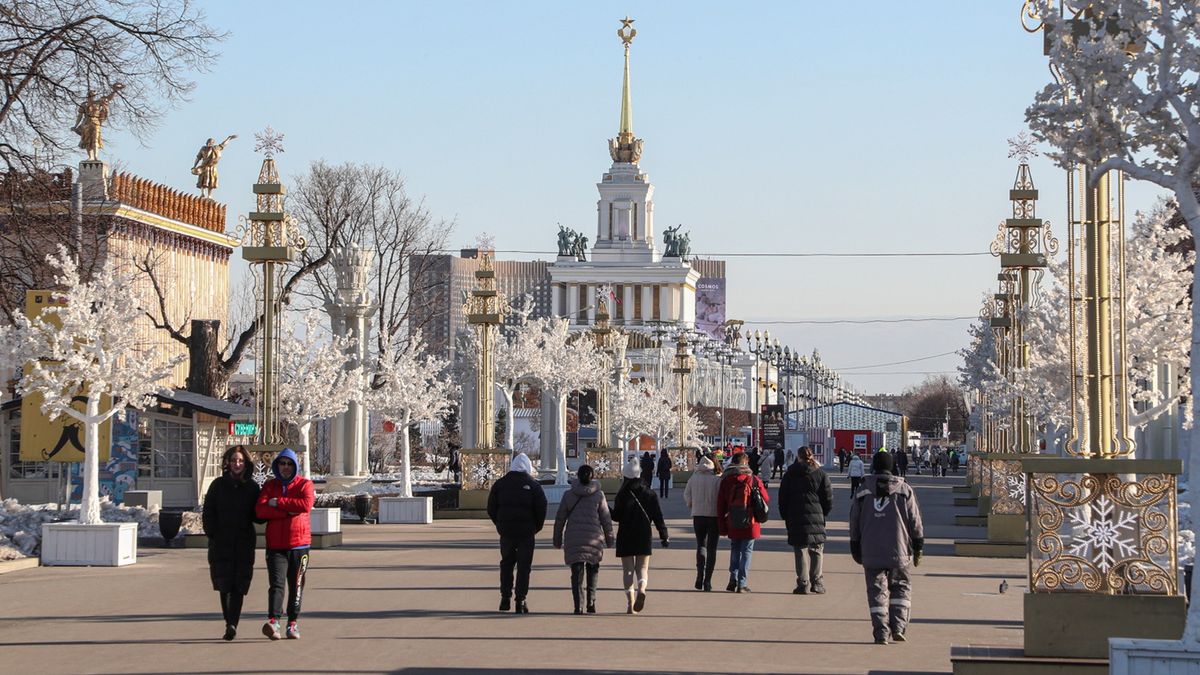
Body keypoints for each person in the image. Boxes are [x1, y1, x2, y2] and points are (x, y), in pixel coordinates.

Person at [849, 451, 925, 645]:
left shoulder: (862, 491)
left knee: (876, 593)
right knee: (901, 588)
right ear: (892, 467)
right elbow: (915, 521)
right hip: (899, 550)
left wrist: (855, 545)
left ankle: (881, 633)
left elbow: (854, 522)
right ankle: (898, 627)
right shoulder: (905, 490)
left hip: (871, 550)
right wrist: (918, 546)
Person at [202, 445, 261, 641]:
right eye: (234, 460)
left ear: (246, 463)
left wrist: (271, 505)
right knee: (224, 584)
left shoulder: (252, 487)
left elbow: (257, 516)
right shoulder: (217, 485)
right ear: (227, 462)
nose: (237, 464)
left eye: (241, 461)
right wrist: (213, 533)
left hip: (243, 543)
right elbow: (208, 511)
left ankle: (232, 624)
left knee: (239, 585)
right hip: (221, 542)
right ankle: (229, 622)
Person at [255, 448, 314, 640]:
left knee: (296, 585)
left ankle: (293, 623)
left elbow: (305, 505)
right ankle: (274, 621)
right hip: (276, 547)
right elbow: (261, 511)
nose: (286, 467)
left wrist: (278, 502)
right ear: (277, 465)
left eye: (289, 464)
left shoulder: (305, 484)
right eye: (282, 463)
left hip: (299, 545)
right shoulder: (269, 486)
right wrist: (286, 511)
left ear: (295, 466)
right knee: (277, 584)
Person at [487, 452, 547, 614]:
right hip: (527, 532)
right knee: (524, 565)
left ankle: (505, 598)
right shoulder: (534, 486)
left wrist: (500, 524)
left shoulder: (500, 484)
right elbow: (541, 509)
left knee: (506, 563)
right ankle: (520, 599)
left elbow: (491, 508)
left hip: (506, 532)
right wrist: (535, 527)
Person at [553, 465, 614, 614]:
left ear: (577, 477)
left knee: (576, 572)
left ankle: (578, 605)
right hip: (594, 538)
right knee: (593, 569)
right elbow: (606, 519)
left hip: (574, 537)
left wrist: (557, 538)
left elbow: (560, 518)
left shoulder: (568, 495)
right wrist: (610, 538)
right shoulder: (599, 495)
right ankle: (591, 601)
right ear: (592, 477)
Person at [612, 461, 669, 614]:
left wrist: (607, 508)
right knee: (642, 568)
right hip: (644, 534)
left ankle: (630, 604)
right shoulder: (650, 494)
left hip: (625, 535)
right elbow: (658, 516)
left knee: (628, 570)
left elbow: (616, 517)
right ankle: (642, 589)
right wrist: (664, 535)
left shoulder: (622, 494)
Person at [779, 446, 833, 595]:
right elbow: (828, 497)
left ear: (798, 456)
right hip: (816, 515)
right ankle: (817, 582)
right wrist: (823, 513)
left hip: (795, 515)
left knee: (800, 549)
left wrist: (785, 515)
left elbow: (782, 497)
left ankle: (803, 583)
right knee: (816, 549)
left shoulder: (790, 474)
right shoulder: (821, 474)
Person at [716, 452, 769, 593]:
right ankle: (742, 583)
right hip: (750, 521)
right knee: (746, 551)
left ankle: (732, 579)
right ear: (745, 463)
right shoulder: (754, 480)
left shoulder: (726, 480)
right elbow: (765, 498)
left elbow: (720, 504)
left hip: (732, 520)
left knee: (735, 549)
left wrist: (721, 523)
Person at [683, 455, 721, 591]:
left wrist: (691, 504)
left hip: (698, 515)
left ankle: (700, 574)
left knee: (701, 545)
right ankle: (708, 580)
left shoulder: (694, 478)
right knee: (712, 548)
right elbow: (722, 497)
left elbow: (686, 494)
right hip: (713, 516)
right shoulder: (717, 479)